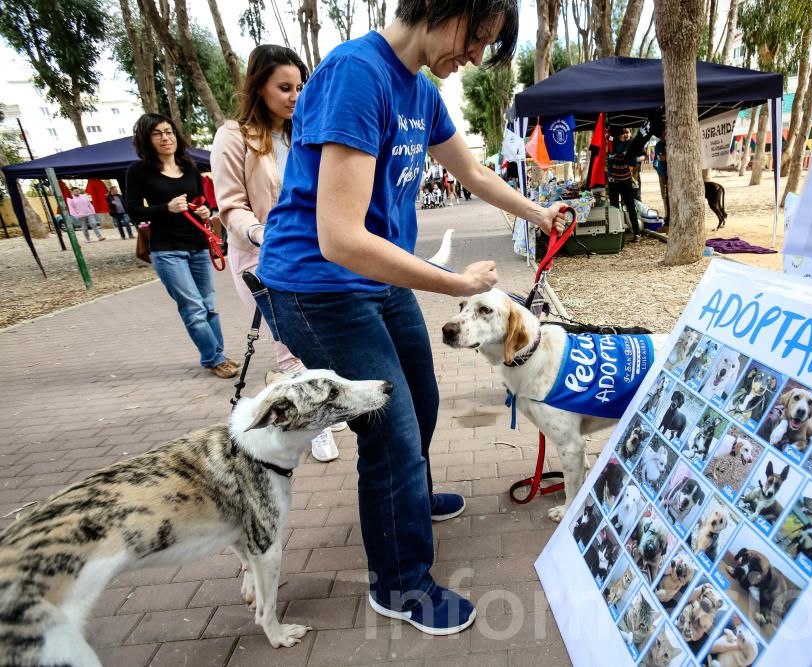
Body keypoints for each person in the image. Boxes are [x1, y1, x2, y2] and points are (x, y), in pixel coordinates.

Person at [253, 0, 563, 636]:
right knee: (390, 431)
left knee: (420, 403)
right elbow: (339, 238)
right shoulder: (356, 74)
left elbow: (470, 171)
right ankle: (399, 582)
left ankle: (407, 504)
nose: (476, 56)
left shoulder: (421, 89)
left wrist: (538, 215)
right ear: (441, 7)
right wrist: (454, 283)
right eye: (476, 38)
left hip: (375, 280)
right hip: (319, 287)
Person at [211, 45, 348, 462]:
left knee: (323, 335)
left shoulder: (306, 131)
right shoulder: (234, 136)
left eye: (300, 86)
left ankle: (320, 406)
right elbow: (230, 205)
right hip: (261, 256)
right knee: (288, 343)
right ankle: (314, 427)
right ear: (259, 87)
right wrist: (259, 233)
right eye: (284, 87)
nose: (294, 95)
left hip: (314, 252)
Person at [126, 113, 238, 379]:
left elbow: (204, 202)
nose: (165, 138)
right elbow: (134, 212)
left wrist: (203, 211)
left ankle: (217, 355)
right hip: (167, 250)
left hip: (198, 245)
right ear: (146, 138)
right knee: (193, 308)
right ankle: (214, 358)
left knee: (209, 305)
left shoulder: (189, 167)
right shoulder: (139, 171)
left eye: (169, 132)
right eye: (157, 133)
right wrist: (166, 207)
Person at [607, 127, 641, 241]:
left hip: (626, 181)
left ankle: (637, 233)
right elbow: (613, 144)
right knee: (614, 208)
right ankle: (616, 234)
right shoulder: (613, 144)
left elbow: (623, 148)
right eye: (622, 133)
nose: (624, 135)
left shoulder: (629, 145)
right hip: (614, 183)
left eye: (626, 133)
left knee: (631, 207)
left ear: (630, 133)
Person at [654, 136, 669, 223]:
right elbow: (658, 158)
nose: (663, 135)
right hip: (662, 173)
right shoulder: (658, 145)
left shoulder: (671, 141)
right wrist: (657, 167)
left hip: (671, 173)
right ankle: (667, 215)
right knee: (664, 195)